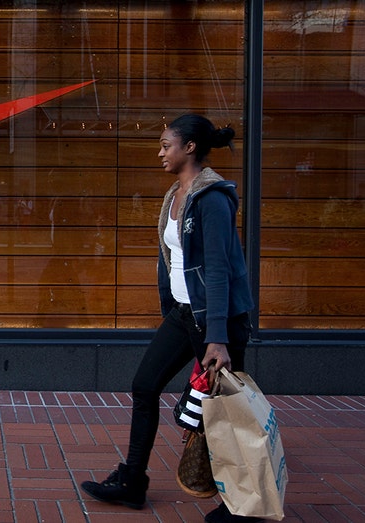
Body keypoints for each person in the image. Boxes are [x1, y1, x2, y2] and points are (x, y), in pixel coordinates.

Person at [79, 114, 258, 523]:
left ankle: (241, 505)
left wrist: (216, 339)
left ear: (189, 147)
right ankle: (131, 482)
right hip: (184, 315)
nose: (160, 152)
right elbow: (175, 260)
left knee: (226, 412)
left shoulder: (211, 198)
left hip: (218, 322)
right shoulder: (175, 194)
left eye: (166, 145)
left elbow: (217, 269)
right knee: (144, 385)